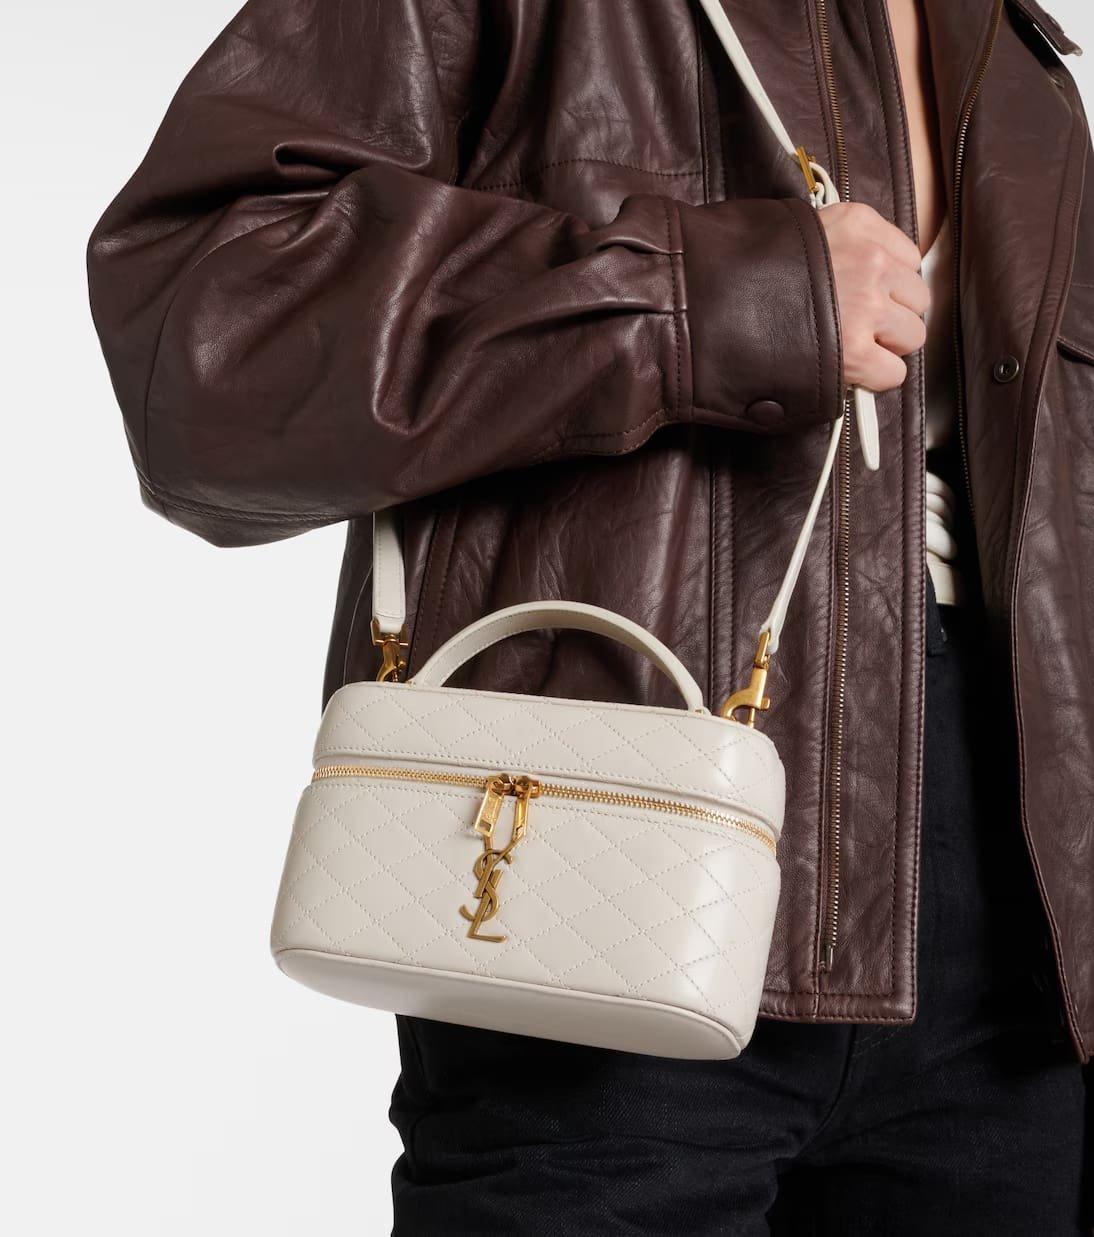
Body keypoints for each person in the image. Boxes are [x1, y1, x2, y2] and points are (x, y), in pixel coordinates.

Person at [86, 0, 1092, 1230]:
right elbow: (205, 345)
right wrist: (703, 297)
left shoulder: (1014, 49)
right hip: (601, 852)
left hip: (1016, 937)